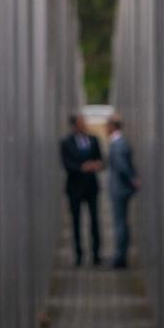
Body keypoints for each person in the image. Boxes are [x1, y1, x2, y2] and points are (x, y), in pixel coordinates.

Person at [60, 114, 103, 266]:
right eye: (81, 122)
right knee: (76, 222)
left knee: (95, 221)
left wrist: (97, 165)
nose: (84, 124)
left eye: (84, 122)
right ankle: (79, 255)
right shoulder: (66, 143)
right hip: (75, 187)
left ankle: (96, 254)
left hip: (91, 186)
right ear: (74, 126)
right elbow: (66, 164)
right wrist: (82, 167)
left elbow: (101, 159)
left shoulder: (93, 139)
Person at [106, 114, 140, 268]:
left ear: (113, 126)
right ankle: (121, 255)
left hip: (120, 189)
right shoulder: (121, 142)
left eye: (107, 125)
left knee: (120, 223)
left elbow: (122, 166)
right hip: (123, 188)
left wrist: (132, 178)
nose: (105, 128)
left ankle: (120, 257)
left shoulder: (117, 144)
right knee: (122, 222)